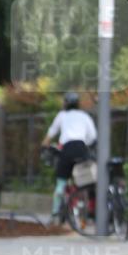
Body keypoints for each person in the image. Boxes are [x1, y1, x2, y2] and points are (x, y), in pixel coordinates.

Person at [42, 91, 97, 224]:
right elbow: (93, 137)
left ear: (65, 104)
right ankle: (91, 211)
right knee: (88, 181)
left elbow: (51, 132)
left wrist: (44, 146)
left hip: (66, 150)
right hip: (82, 149)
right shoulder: (85, 116)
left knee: (61, 183)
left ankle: (55, 214)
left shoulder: (62, 115)